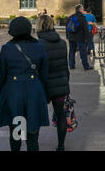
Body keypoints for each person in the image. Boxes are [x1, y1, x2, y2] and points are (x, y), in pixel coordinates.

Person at [0, 16, 49, 151]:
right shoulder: (39, 47)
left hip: (14, 92)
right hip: (34, 91)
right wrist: (44, 95)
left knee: (16, 132)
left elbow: (1, 76)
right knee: (32, 133)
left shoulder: (7, 48)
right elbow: (44, 74)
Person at [36, 15, 70, 151]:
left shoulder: (38, 44)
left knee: (36, 114)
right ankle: (61, 145)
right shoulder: (62, 43)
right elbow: (64, 64)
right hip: (60, 82)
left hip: (42, 85)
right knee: (60, 114)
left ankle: (34, 143)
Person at [66, 5, 92, 70]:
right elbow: (85, 29)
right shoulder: (82, 17)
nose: (83, 10)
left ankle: (71, 65)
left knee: (72, 51)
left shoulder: (71, 17)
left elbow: (67, 27)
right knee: (83, 52)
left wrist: (68, 36)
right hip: (80, 38)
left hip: (71, 37)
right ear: (80, 10)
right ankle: (86, 66)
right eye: (83, 9)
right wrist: (88, 39)